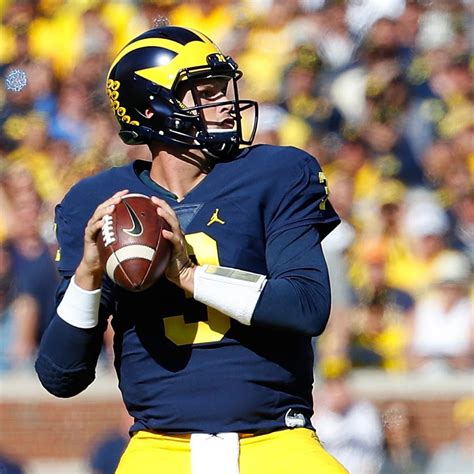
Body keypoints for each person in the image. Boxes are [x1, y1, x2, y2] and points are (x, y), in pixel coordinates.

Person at [34, 24, 345, 474]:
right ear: (152, 107)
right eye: (207, 92)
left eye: (223, 89)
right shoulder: (97, 202)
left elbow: (307, 306)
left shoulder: (277, 172)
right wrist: (88, 275)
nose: (226, 103)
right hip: (159, 447)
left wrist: (188, 275)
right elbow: (61, 375)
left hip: (277, 439)